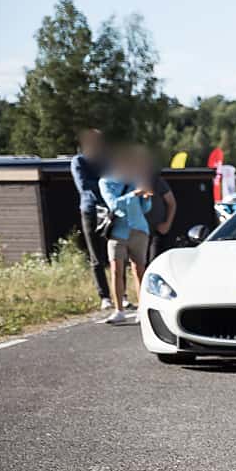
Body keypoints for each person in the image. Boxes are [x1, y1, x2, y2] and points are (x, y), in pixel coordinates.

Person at [97, 149, 154, 324]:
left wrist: (146, 197)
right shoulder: (106, 182)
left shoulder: (136, 180)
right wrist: (134, 194)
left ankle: (142, 308)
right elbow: (113, 205)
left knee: (139, 270)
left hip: (139, 229)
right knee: (116, 269)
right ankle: (118, 309)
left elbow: (146, 209)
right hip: (117, 232)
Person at [70, 129, 112, 309]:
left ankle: (122, 294)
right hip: (90, 210)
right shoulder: (79, 161)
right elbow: (84, 185)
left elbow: (116, 180)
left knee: (114, 252)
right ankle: (104, 296)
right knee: (96, 255)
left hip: (109, 209)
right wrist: (104, 184)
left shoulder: (106, 162)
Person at [142, 151, 178, 249]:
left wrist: (167, 224)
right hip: (137, 232)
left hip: (156, 231)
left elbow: (172, 203)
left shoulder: (157, 181)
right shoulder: (129, 182)